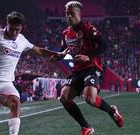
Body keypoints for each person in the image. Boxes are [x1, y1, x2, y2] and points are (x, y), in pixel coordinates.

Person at [58, 1, 123, 135]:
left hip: (92, 68)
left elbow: (104, 45)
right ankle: (86, 127)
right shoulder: (65, 33)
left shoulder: (88, 28)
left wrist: (88, 56)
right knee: (64, 97)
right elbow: (63, 51)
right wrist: (57, 56)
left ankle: (112, 111)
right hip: (77, 71)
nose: (69, 17)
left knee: (90, 99)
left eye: (72, 14)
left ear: (79, 14)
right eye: (67, 14)